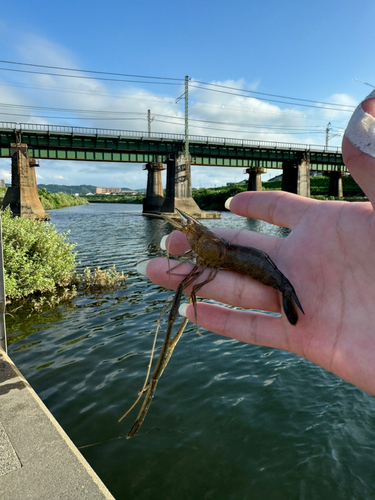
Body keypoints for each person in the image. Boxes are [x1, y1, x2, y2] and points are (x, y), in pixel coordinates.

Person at [138, 91, 375, 396]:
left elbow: (202, 267)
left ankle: (283, 287)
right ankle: (282, 288)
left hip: (257, 265)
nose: (189, 228)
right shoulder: (205, 242)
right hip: (245, 259)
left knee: (192, 284)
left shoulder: (208, 251)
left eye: (192, 228)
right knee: (194, 281)